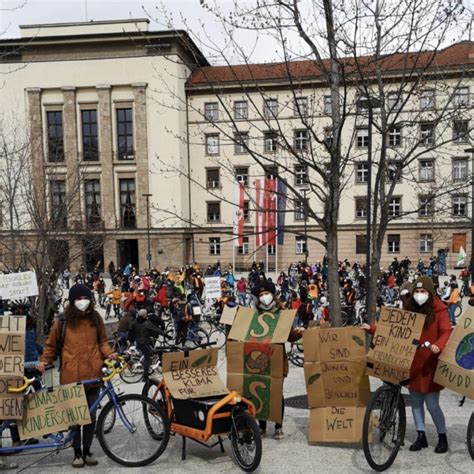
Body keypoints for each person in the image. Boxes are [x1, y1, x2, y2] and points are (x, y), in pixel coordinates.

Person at [364, 276, 451, 454]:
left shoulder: (439, 311)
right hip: (412, 363)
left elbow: (446, 331)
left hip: (430, 364)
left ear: (430, 293)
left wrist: (438, 345)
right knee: (417, 402)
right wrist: (372, 328)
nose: (419, 295)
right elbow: (395, 328)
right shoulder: (409, 309)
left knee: (432, 404)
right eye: (417, 291)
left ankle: (442, 436)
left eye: (423, 291)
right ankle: (421, 435)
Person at [37, 284, 116, 468]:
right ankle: (77, 453)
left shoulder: (95, 318)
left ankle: (87, 450)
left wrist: (109, 353)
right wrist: (44, 360)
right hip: (71, 376)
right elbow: (50, 345)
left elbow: (102, 341)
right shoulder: (63, 321)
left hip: (93, 376)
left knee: (90, 417)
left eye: (85, 298)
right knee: (74, 418)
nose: (82, 302)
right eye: (78, 299)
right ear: (72, 301)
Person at [255, 280, 303, 440]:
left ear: (273, 295)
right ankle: (261, 426)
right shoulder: (254, 315)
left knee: (276, 393)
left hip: (278, 360)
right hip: (260, 360)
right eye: (261, 295)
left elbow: (290, 336)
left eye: (266, 294)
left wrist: (301, 332)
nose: (264, 297)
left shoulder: (281, 314)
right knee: (261, 392)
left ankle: (278, 425)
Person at [129, 309, 162, 380]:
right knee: (148, 358)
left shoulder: (135, 322)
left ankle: (144, 366)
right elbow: (155, 329)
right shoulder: (145, 323)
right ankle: (145, 376)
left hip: (139, 342)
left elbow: (132, 332)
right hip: (143, 342)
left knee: (146, 354)